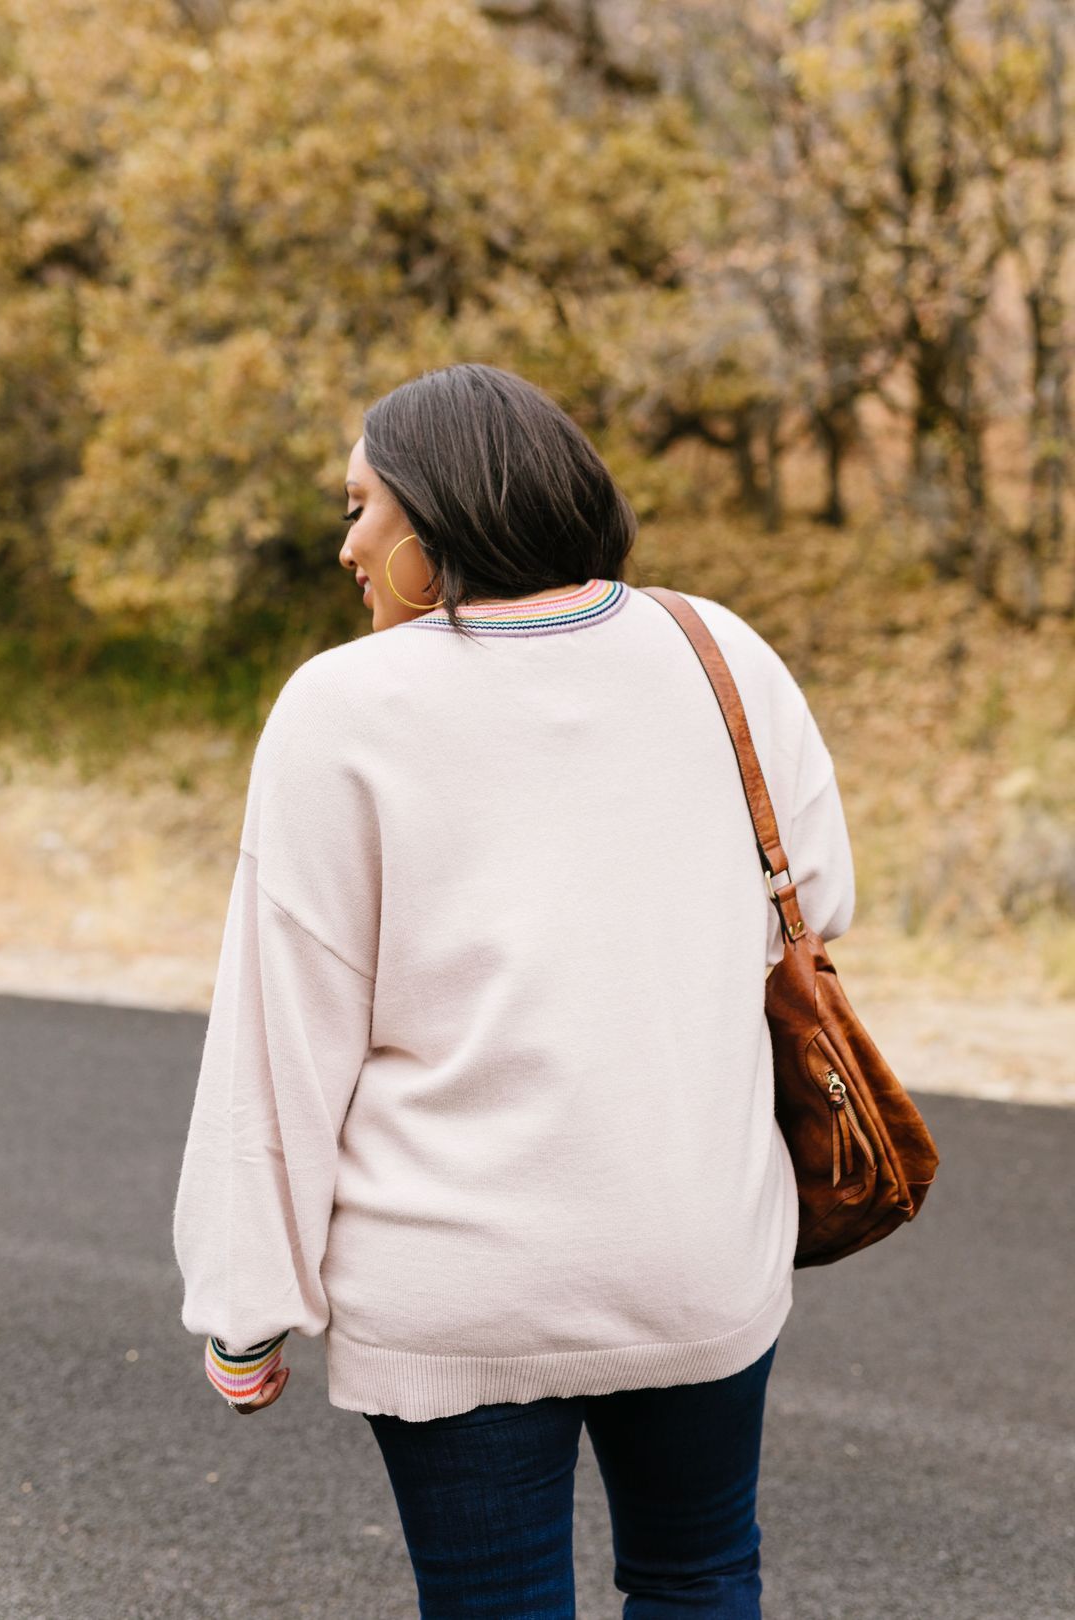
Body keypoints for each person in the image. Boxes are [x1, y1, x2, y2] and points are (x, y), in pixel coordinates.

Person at [172, 361, 855, 1618]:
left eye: (359, 509)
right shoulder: (717, 651)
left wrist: (246, 1307)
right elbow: (817, 903)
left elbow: (284, 1034)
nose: (347, 547)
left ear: (436, 518)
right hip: (693, 1251)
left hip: (456, 1290)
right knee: (702, 1577)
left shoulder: (342, 706)